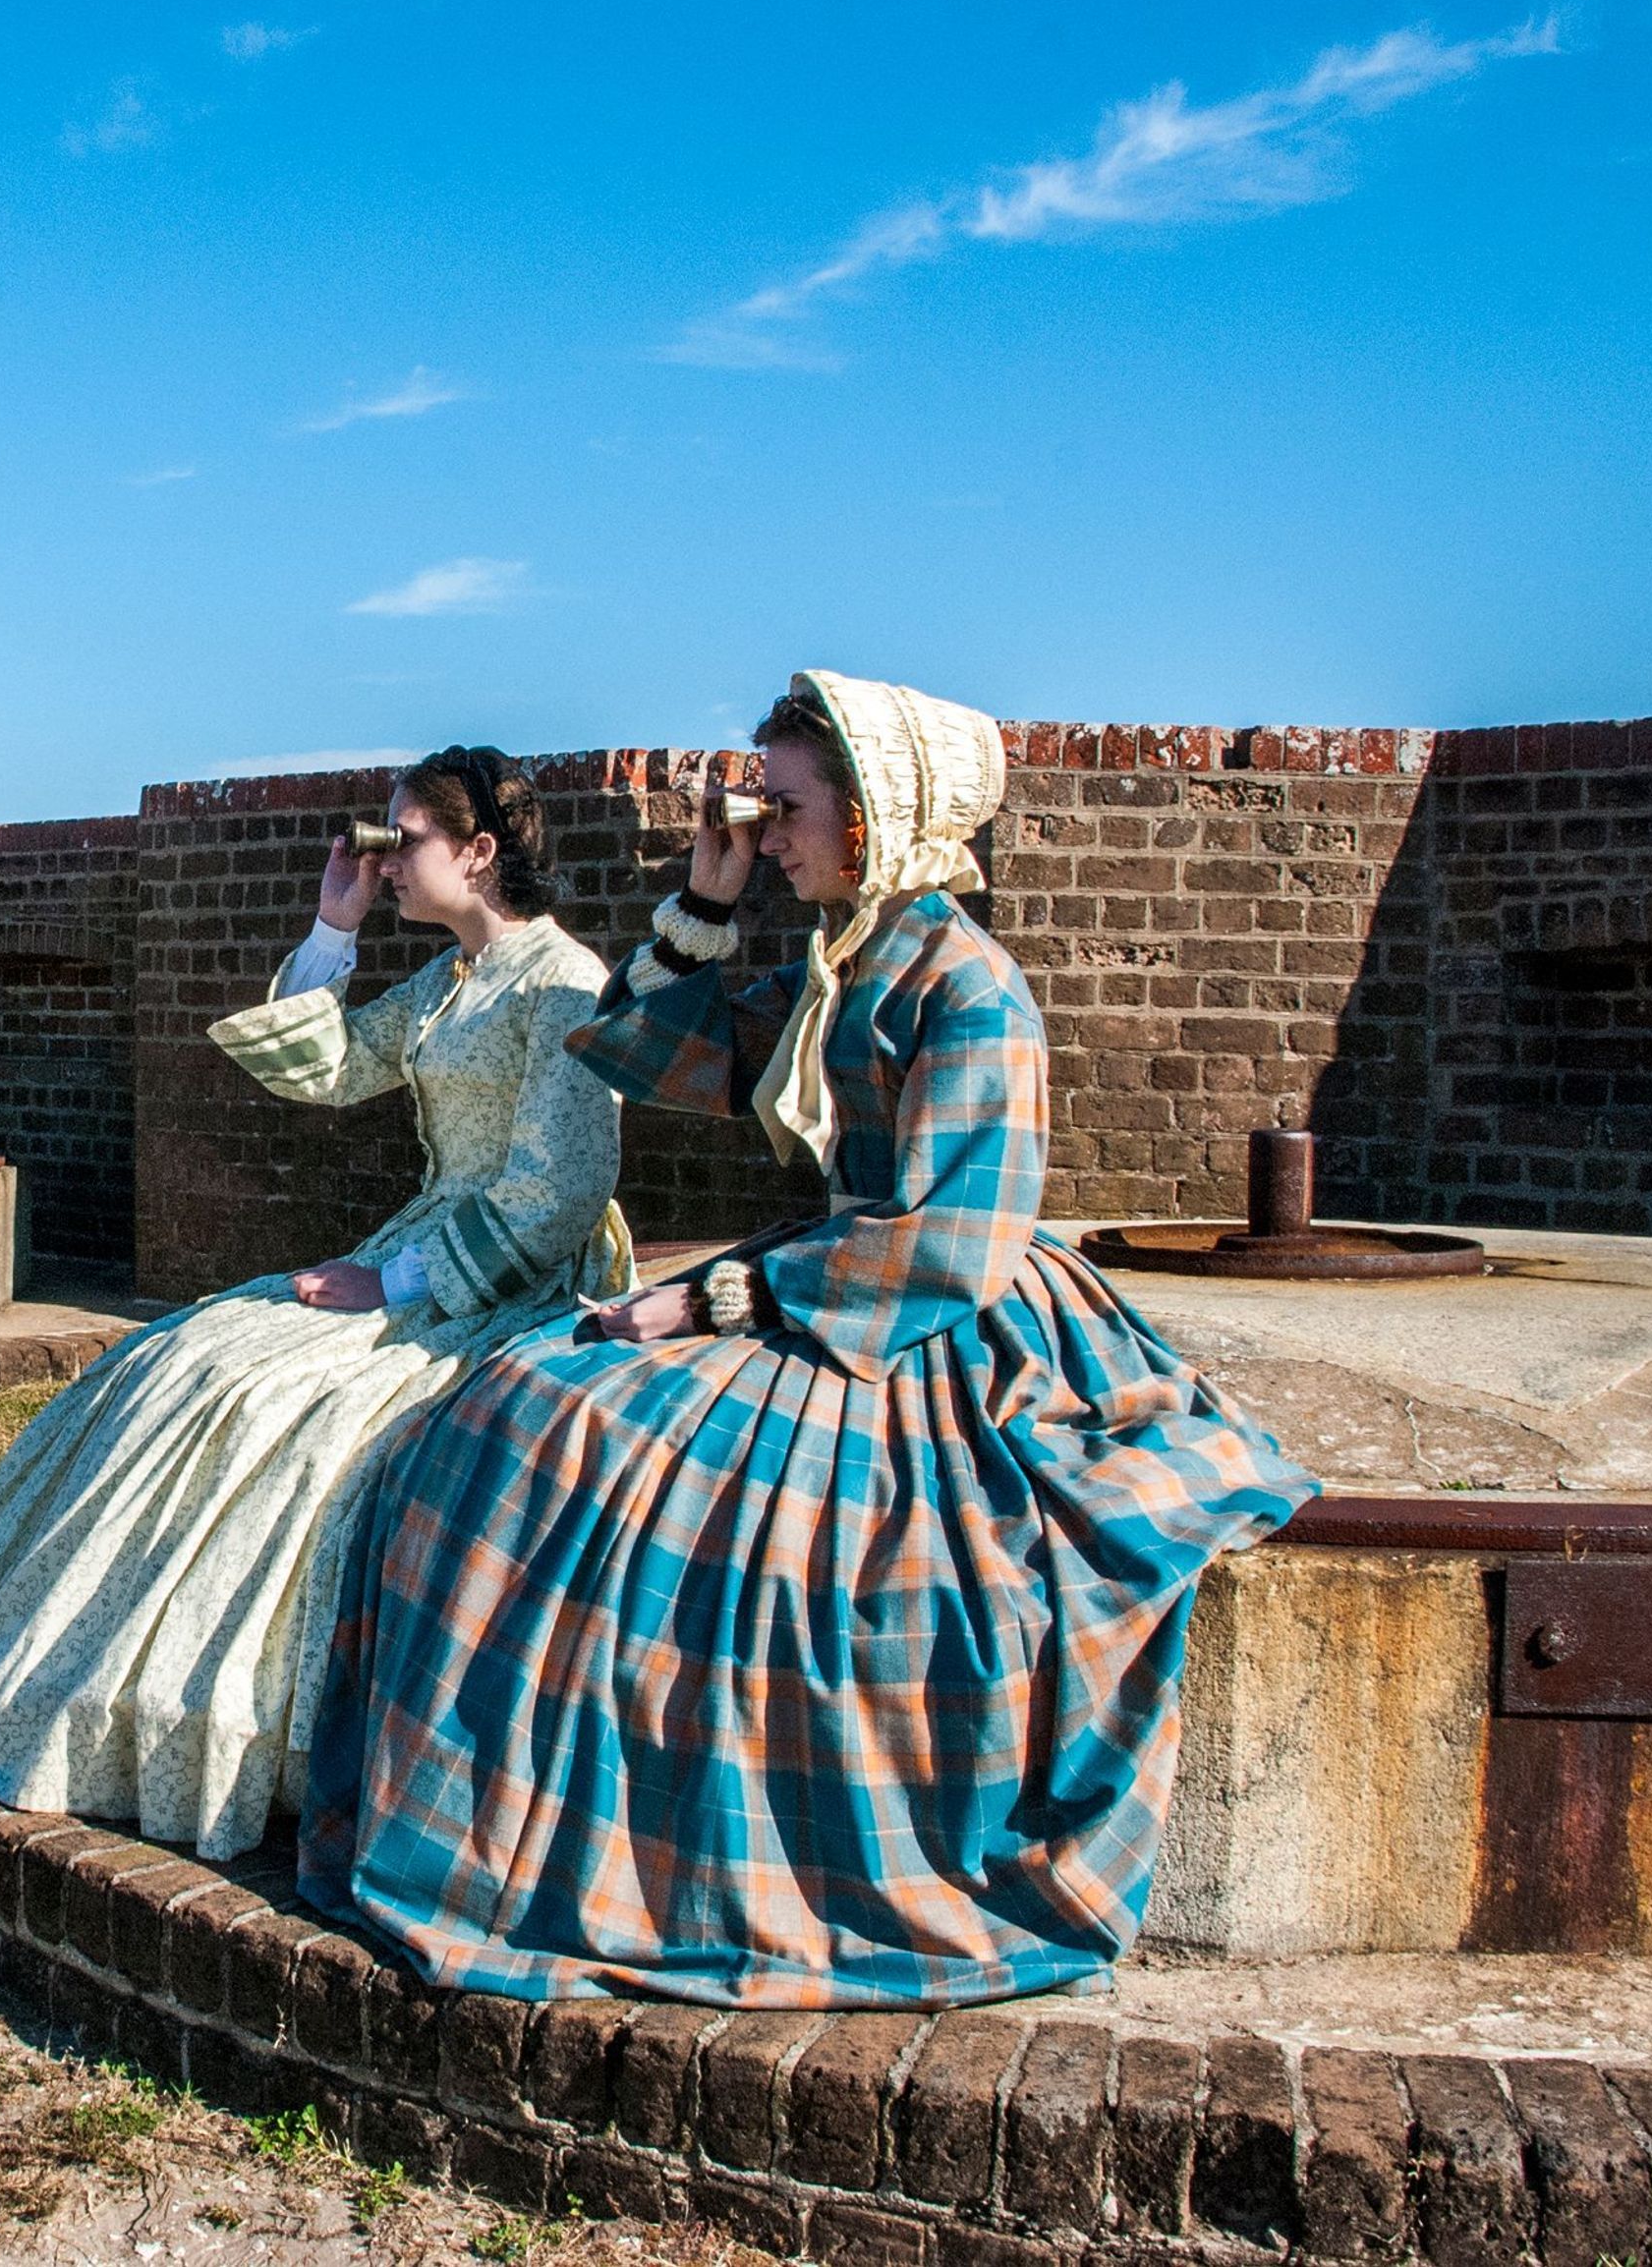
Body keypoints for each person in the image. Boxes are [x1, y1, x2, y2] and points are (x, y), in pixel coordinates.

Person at [299, 672, 1319, 2006]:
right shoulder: (839, 963)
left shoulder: (971, 987)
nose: (769, 831)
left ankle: (683, 1860)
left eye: (785, 808)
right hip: (816, 1279)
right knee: (519, 1399)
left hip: (921, 1319)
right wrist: (709, 901)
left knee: (630, 1455)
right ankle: (484, 1831)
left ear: (876, 813)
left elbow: (952, 1239)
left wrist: (713, 1300)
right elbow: (638, 1046)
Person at [0, 746, 629, 1860]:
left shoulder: (562, 978)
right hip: (420, 1247)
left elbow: (561, 1187)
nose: (383, 860)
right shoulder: (447, 981)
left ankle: (213, 1713)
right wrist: (336, 926)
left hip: (507, 1274)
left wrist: (397, 1283)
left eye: (403, 840)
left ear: (479, 852)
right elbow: (325, 1068)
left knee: (278, 1403)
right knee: (186, 1352)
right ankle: (68, 1664)